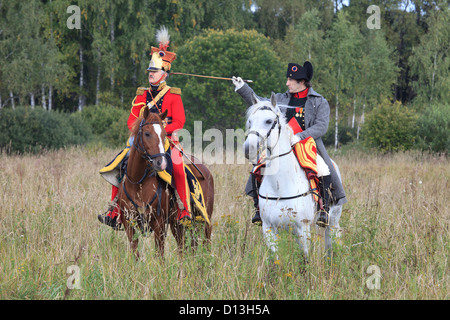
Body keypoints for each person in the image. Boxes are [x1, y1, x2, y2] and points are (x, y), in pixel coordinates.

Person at [98, 27, 192, 229]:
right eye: (149, 71)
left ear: (165, 74)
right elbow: (131, 121)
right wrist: (144, 130)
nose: (150, 74)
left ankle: (183, 210)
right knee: (121, 163)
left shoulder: (173, 95)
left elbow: (179, 122)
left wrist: (160, 131)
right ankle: (114, 211)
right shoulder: (141, 94)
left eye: (154, 71)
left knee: (177, 166)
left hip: (166, 140)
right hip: (142, 141)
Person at [232, 61, 347, 227]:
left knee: (324, 168)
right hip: (280, 144)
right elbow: (260, 102)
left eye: (290, 80)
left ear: (301, 82)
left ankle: (324, 209)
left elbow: (321, 126)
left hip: (307, 143)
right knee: (259, 166)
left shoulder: (319, 101)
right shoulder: (280, 98)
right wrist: (242, 87)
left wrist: (300, 136)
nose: (287, 83)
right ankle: (258, 208)